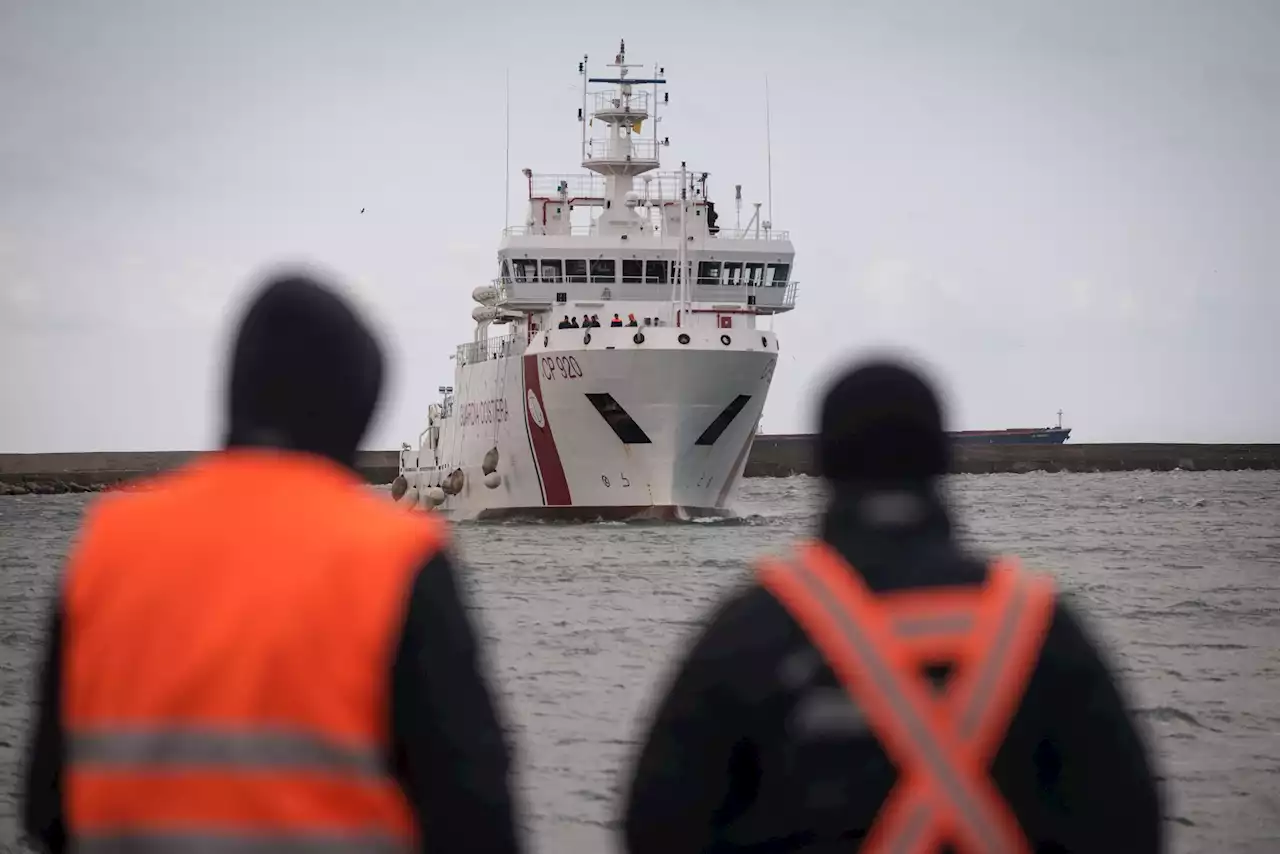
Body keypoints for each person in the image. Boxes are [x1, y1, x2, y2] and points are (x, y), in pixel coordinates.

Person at [21, 270, 524, 854]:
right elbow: (475, 814)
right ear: (358, 408)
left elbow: (44, 806)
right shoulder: (396, 557)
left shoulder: (109, 542)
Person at [621, 358, 1163, 854]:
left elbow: (657, 825)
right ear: (943, 460)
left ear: (824, 463)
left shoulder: (752, 628)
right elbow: (1129, 824)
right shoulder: (1043, 625)